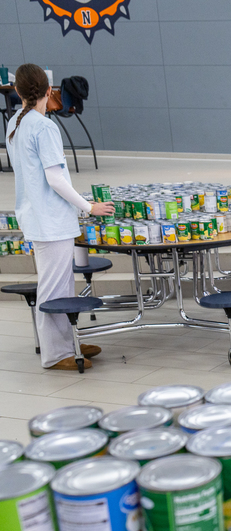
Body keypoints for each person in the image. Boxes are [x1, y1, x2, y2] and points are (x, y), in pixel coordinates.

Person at [5, 63, 113, 370]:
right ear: (49, 91)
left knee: (61, 285)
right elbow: (55, 179)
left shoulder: (15, 123)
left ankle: (69, 342)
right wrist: (88, 207)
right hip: (49, 219)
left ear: (17, 91)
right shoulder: (43, 127)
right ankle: (55, 354)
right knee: (53, 288)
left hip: (38, 216)